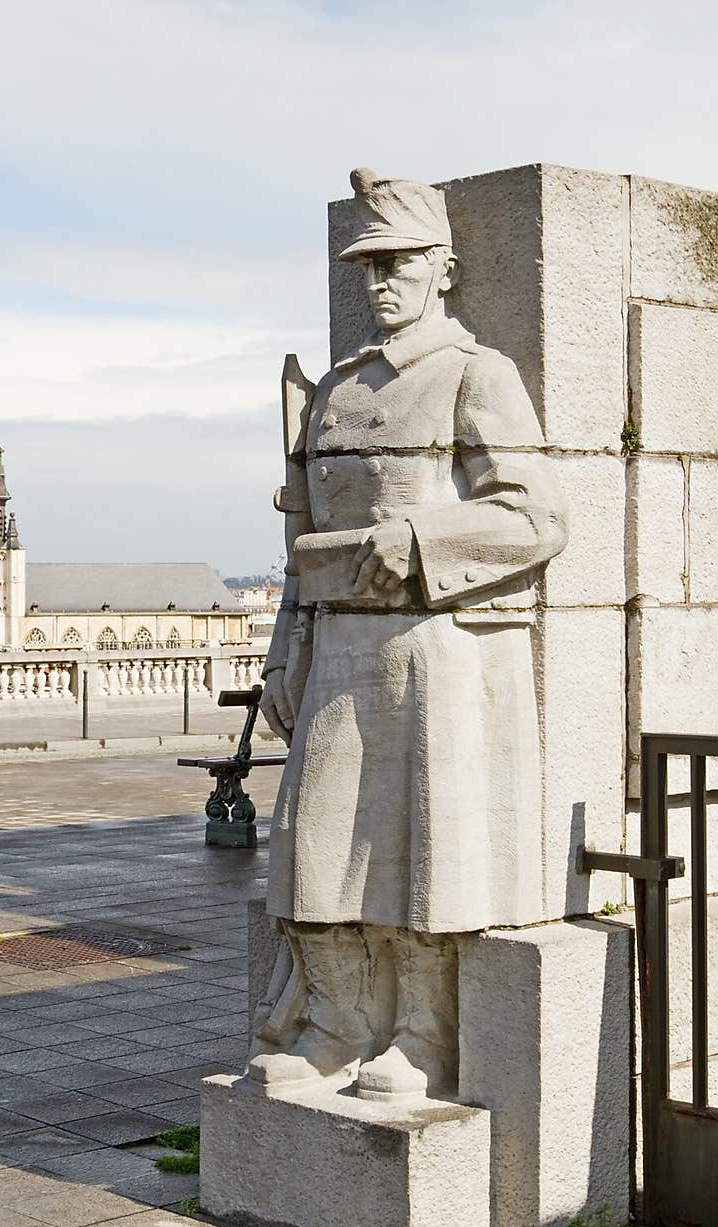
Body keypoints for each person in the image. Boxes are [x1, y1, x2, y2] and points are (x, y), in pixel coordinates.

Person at [250, 167, 569, 1103]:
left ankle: (424, 1035)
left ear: (444, 269)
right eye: (368, 266)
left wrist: (421, 538)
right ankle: (335, 1022)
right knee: (315, 845)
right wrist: (285, 651)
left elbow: (536, 516)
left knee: (426, 850)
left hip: (430, 644)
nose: (380, 281)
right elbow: (299, 543)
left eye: (398, 262)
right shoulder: (335, 391)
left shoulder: (476, 374)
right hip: (338, 644)